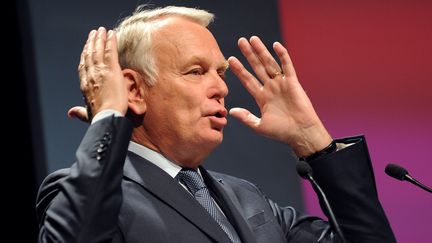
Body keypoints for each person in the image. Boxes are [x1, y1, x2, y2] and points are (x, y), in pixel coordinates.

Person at [36, 5, 396, 243]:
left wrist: (314, 141)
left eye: (221, 72)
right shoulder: (87, 195)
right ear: (134, 89)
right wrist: (109, 115)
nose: (222, 88)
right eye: (196, 71)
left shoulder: (247, 197)